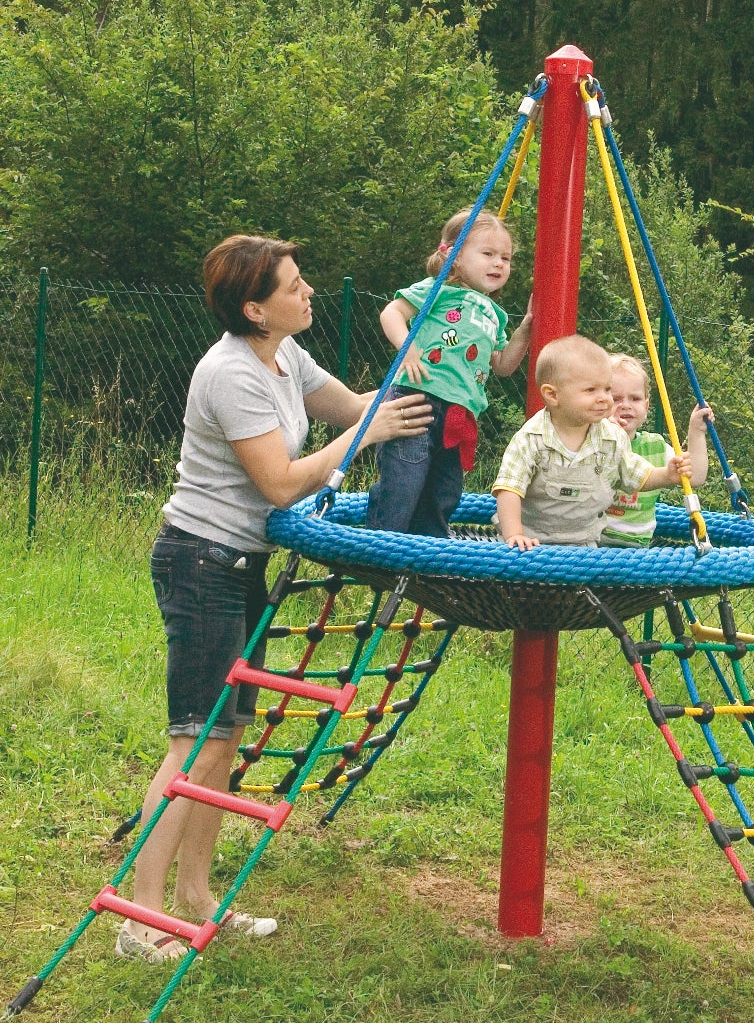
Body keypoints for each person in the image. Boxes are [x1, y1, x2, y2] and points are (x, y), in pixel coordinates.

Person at [119, 235, 435, 964]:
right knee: (193, 742)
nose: (308, 292)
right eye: (293, 286)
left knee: (221, 745)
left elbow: (355, 406)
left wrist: (428, 368)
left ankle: (198, 899)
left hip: (237, 567)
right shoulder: (230, 373)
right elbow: (282, 482)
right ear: (255, 309)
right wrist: (364, 434)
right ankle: (140, 922)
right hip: (200, 563)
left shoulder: (285, 357)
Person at [365, 210, 531, 537]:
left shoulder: (495, 315)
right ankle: (381, 541)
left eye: (506, 258)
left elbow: (502, 364)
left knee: (445, 491)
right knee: (404, 481)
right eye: (488, 254)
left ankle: (429, 552)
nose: (499, 263)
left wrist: (526, 328)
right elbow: (392, 313)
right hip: (417, 399)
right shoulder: (439, 289)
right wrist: (407, 346)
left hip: (459, 413)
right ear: (453, 256)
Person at [492, 335, 684, 550]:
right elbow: (509, 489)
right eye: (591, 390)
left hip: (584, 543)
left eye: (607, 389)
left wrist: (667, 475)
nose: (604, 398)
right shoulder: (531, 439)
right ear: (553, 395)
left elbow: (635, 475)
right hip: (530, 540)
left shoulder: (611, 437)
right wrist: (514, 534)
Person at [599, 352, 713, 547]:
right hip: (594, 541)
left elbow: (695, 477)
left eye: (634, 399)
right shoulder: (593, 440)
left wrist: (696, 432)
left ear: (646, 405)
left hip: (640, 545)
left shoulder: (656, 447)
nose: (625, 405)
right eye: (616, 399)